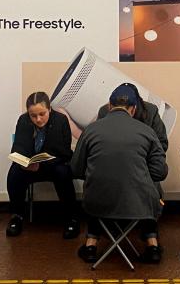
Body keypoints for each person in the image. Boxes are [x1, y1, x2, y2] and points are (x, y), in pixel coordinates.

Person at [71, 85, 168, 263]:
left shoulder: (90, 131)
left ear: (109, 106)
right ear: (133, 108)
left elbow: (76, 169)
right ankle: (152, 245)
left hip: (97, 200)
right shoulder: (147, 132)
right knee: (150, 189)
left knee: (96, 185)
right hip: (138, 200)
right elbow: (160, 172)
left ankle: (90, 244)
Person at [6, 92, 80, 238]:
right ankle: (17, 216)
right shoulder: (23, 120)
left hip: (53, 165)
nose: (38, 119)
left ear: (49, 110)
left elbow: (64, 151)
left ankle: (71, 219)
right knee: (14, 174)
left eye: (42, 114)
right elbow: (19, 146)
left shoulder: (61, 120)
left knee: (63, 173)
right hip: (30, 166)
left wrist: (43, 164)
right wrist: (23, 162)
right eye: (33, 115)